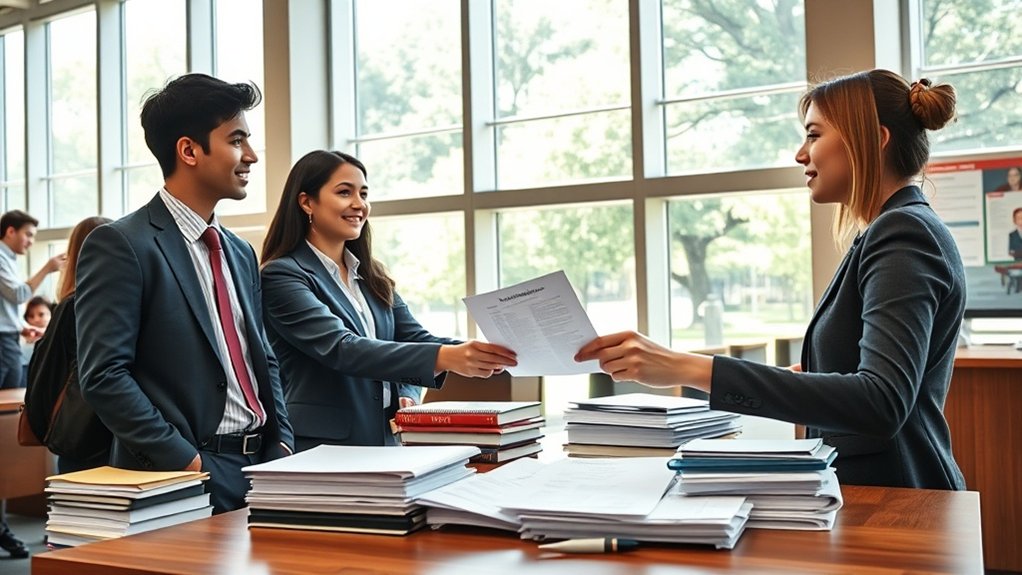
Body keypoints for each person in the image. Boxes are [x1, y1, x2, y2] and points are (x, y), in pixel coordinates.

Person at [577, 69, 966, 490]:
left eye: (814, 135)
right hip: (872, 496)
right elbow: (862, 375)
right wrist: (807, 373)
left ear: (875, 139)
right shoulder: (889, 230)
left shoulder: (903, 234)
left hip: (902, 506)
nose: (801, 155)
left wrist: (683, 366)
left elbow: (881, 401)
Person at [75, 74, 294, 513]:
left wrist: (282, 443)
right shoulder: (122, 244)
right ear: (189, 150)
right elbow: (104, 375)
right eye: (236, 140)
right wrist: (188, 461)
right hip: (185, 475)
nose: (250, 155)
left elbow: (260, 356)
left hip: (262, 466)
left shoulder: (239, 251)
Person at [260, 150, 517, 451]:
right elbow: (343, 348)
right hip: (323, 446)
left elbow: (414, 338)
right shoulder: (282, 276)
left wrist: (481, 351)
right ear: (307, 202)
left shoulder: (371, 274)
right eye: (345, 192)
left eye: (364, 193)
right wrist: (448, 357)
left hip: (386, 437)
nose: (359, 204)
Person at [24, 216, 112, 474]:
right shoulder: (95, 305)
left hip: (79, 436)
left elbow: (44, 375)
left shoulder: (71, 305)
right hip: (102, 436)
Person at [0, 210, 66, 389]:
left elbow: (4, 305)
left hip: (8, 337)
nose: (31, 242)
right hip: (3, 341)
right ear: (11, 231)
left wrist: (22, 327)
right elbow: (18, 295)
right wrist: (47, 268)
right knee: (11, 392)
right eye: (28, 235)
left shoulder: (9, 259)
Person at [20, 295, 53, 384]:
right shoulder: (22, 337)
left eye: (41, 314)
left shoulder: (57, 336)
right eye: (31, 316)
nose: (36, 319)